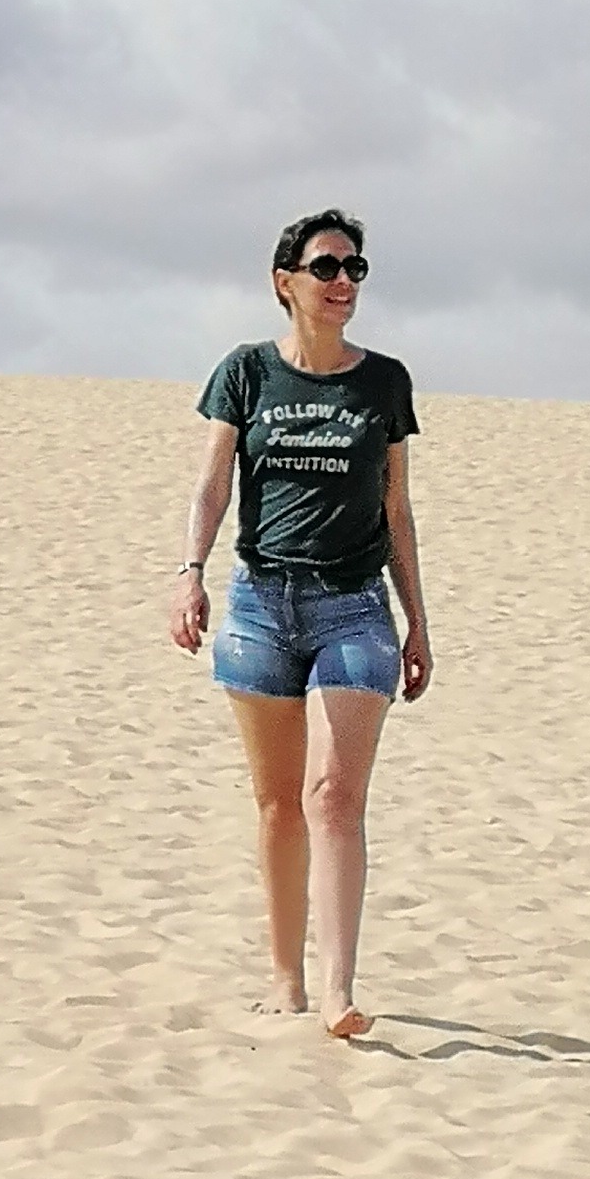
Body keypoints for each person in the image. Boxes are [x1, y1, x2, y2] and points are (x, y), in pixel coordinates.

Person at [168, 209, 431, 1040]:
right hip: (260, 606)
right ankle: (285, 979)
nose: (343, 282)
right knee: (279, 803)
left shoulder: (383, 382)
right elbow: (213, 485)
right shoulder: (246, 373)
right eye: (326, 267)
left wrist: (418, 623)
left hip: (354, 608)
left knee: (333, 795)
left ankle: (337, 989)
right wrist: (189, 574)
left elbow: (397, 508)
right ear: (285, 282)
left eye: (355, 268)